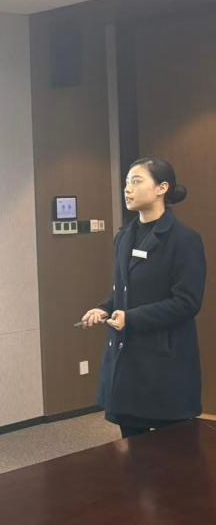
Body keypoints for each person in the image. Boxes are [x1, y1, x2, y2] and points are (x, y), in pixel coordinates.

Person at [80, 157, 206, 439]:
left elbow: (187, 302)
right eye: (126, 182)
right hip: (128, 363)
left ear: (162, 188)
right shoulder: (124, 236)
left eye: (136, 182)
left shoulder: (185, 240)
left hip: (165, 364)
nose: (127, 189)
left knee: (173, 456)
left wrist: (131, 318)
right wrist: (104, 308)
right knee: (133, 456)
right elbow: (124, 291)